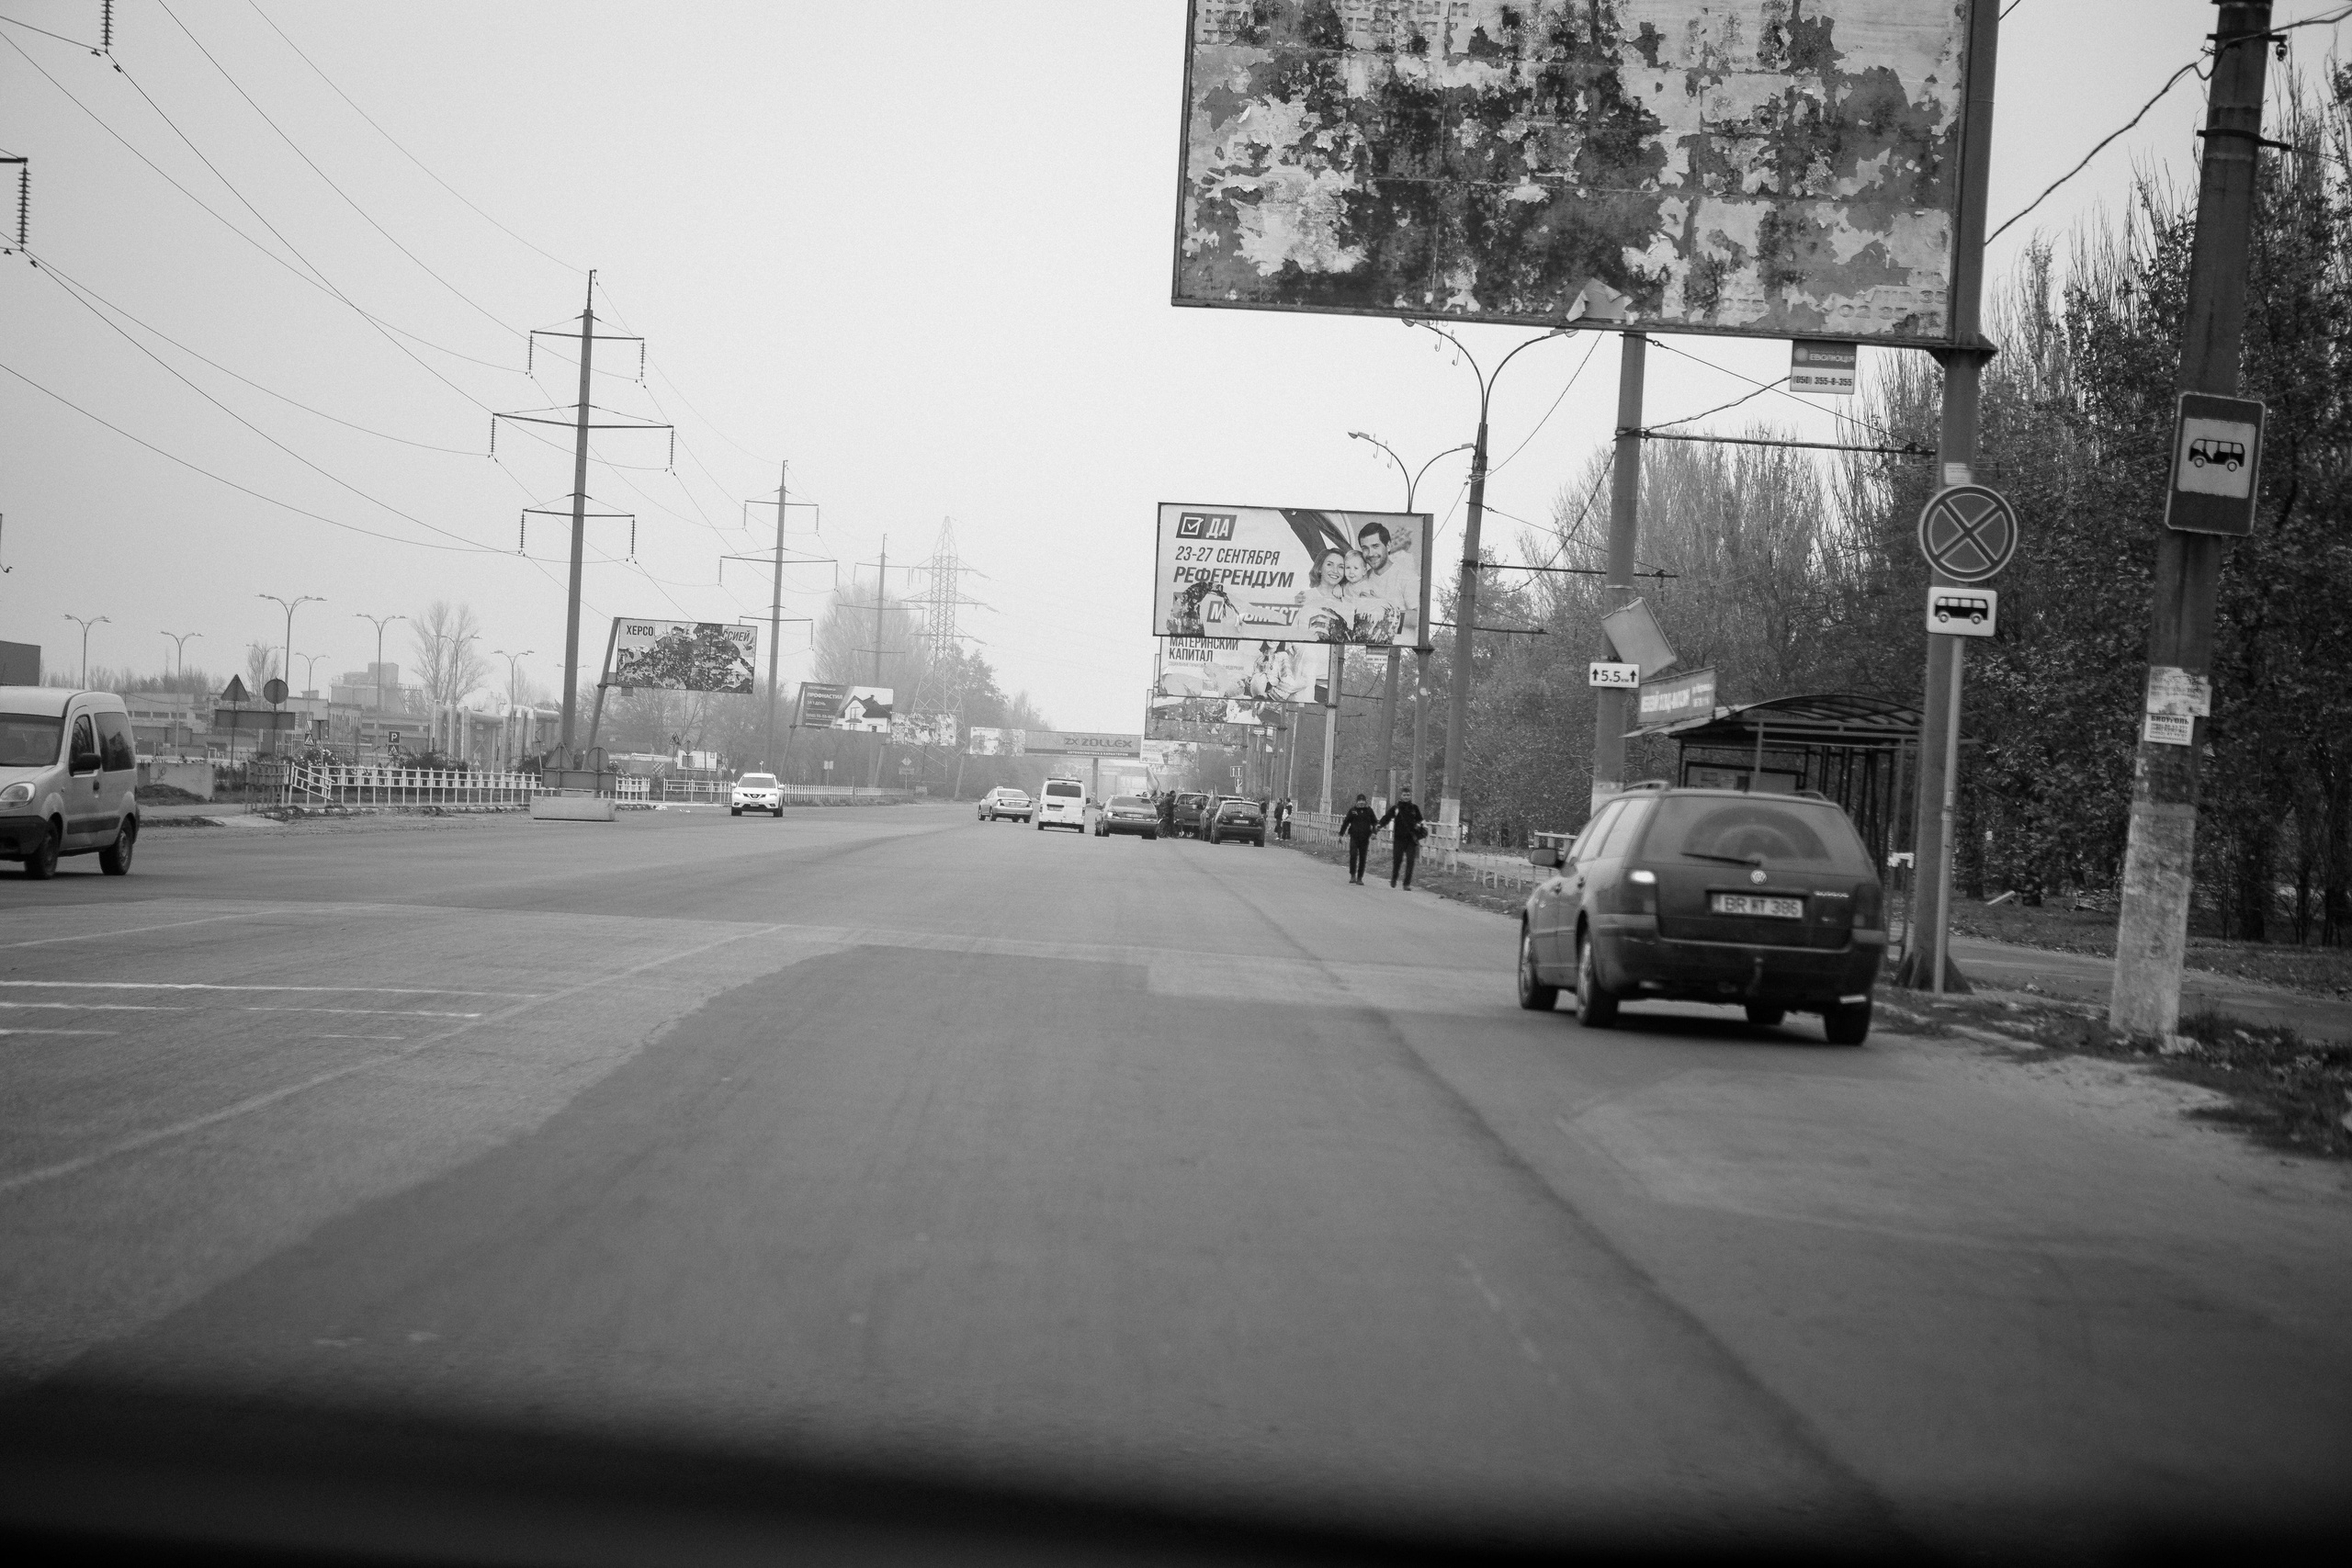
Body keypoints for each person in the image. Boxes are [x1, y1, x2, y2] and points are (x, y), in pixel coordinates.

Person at [1376, 787, 1427, 889]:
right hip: (1399, 839)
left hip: (1411, 840)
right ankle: (1394, 878)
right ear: (1401, 796)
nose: (1406, 797)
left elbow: (1421, 820)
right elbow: (1387, 817)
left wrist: (1422, 828)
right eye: (1404, 795)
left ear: (1410, 796)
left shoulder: (1414, 808)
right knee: (1397, 860)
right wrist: (1379, 825)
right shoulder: (1396, 808)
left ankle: (1406, 884)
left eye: (1408, 795)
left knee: (1410, 861)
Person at [1340, 794, 1379, 884]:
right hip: (1354, 836)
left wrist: (1374, 832)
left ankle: (1360, 878)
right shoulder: (1353, 811)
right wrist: (1341, 834)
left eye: (1363, 801)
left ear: (1365, 802)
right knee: (1353, 855)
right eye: (1359, 801)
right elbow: (1346, 822)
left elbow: (1375, 823)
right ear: (1357, 802)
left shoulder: (1369, 811)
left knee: (1363, 857)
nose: (1361, 802)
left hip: (1365, 838)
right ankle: (1353, 875)